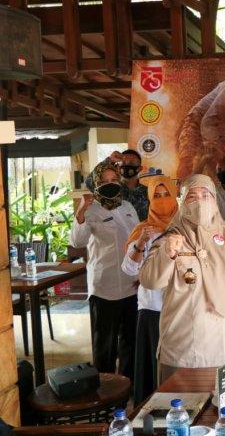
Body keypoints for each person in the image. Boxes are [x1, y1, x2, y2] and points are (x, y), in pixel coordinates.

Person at [138, 174, 225, 384]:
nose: (200, 201)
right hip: (183, 348)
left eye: (206, 195)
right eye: (192, 197)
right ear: (182, 203)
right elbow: (150, 281)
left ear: (215, 200)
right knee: (183, 411)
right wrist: (168, 254)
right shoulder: (169, 238)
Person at [70, 161, 140, 380]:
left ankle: (127, 386)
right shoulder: (90, 210)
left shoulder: (127, 207)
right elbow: (77, 241)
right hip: (104, 287)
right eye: (104, 181)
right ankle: (105, 391)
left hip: (131, 285)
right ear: (96, 184)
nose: (110, 185)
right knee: (105, 346)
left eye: (113, 180)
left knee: (130, 342)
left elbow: (138, 239)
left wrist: (141, 274)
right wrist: (81, 210)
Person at [121, 175, 178, 404]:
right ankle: (151, 413)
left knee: (177, 368)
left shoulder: (187, 227)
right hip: (152, 309)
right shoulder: (142, 230)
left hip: (180, 309)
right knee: (152, 366)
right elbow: (128, 268)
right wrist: (141, 243)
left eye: (167, 195)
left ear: (175, 196)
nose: (162, 200)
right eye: (157, 195)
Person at [86, 149, 149, 221]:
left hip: (141, 231)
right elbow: (89, 182)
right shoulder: (110, 188)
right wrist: (109, 160)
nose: (127, 166)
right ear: (118, 167)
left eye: (131, 163)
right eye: (123, 163)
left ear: (140, 168)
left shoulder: (149, 192)